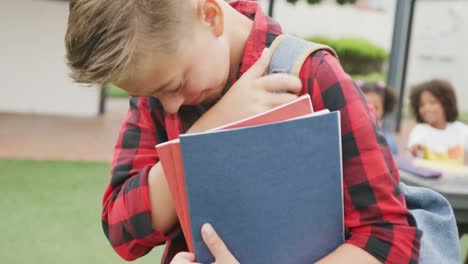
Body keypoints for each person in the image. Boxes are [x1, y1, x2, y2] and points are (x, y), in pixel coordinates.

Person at [65, 0, 420, 263]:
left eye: (176, 84)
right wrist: (207, 133)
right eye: (153, 94)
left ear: (210, 16)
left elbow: (389, 237)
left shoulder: (311, 76)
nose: (170, 106)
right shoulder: (158, 94)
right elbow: (121, 230)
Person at [408, 79, 468, 165]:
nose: (427, 108)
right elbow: (415, 146)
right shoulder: (420, 130)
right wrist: (416, 149)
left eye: (432, 103)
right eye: (422, 105)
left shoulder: (461, 130)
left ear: (445, 104)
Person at [359, 81, 399, 154]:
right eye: (365, 106)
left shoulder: (388, 141)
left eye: (376, 107)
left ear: (384, 110)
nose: (370, 111)